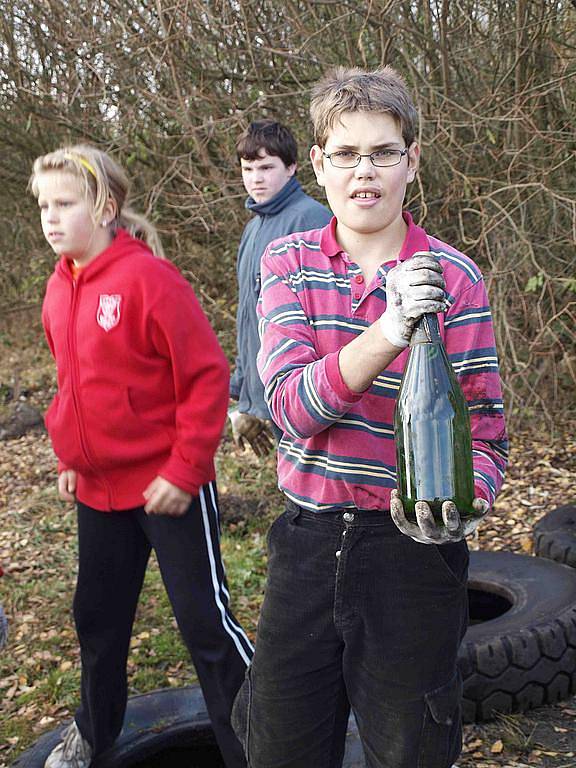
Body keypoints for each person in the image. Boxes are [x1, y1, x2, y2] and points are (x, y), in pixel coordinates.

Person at [233, 67, 508, 767]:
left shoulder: (458, 277)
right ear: (319, 164)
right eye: (347, 154)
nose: (365, 172)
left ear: (412, 162)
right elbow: (293, 409)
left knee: (412, 747)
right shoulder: (287, 264)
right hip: (306, 545)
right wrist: (390, 327)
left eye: (384, 152)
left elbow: (484, 426)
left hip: (414, 554)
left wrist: (469, 493)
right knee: (280, 746)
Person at [29, 145, 253, 768]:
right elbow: (73, 384)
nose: (50, 218)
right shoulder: (57, 288)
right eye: (43, 205)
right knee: (97, 621)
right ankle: (95, 735)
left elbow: (206, 376)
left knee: (207, 627)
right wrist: (69, 456)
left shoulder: (149, 280)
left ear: (105, 206)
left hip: (167, 488)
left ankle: (261, 743)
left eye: (64, 203)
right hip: (99, 493)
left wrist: (184, 471)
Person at [229, 119, 331, 454]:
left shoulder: (312, 221)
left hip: (306, 397)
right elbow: (249, 318)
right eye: (248, 168)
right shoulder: (252, 229)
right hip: (266, 393)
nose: (256, 178)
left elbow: (326, 322)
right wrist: (245, 396)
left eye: (266, 167)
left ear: (291, 167)